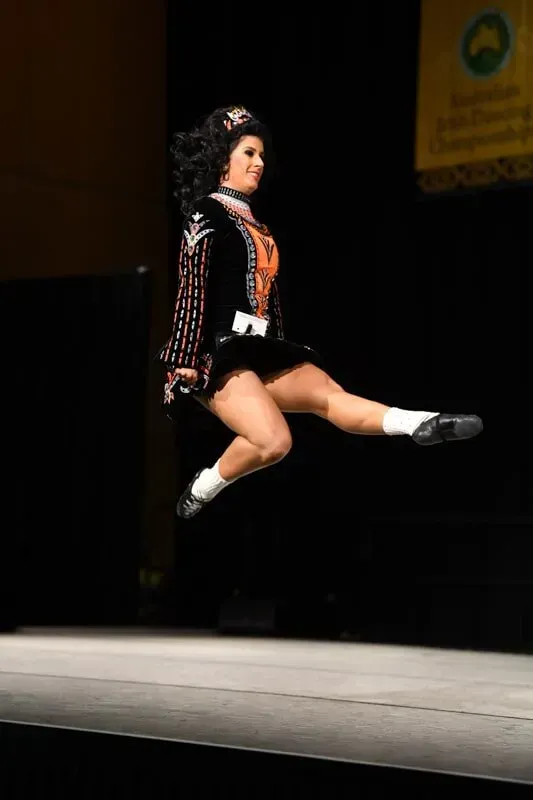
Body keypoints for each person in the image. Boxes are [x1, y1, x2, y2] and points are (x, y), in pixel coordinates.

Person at [156, 104, 483, 519]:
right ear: (223, 158)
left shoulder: (255, 222)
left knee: (328, 394)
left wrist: (276, 348)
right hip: (212, 355)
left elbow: (265, 298)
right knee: (274, 441)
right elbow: (192, 286)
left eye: (261, 155)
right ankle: (203, 486)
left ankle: (419, 422)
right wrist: (184, 359)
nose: (260, 163)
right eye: (249, 153)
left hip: (255, 349)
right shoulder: (207, 212)